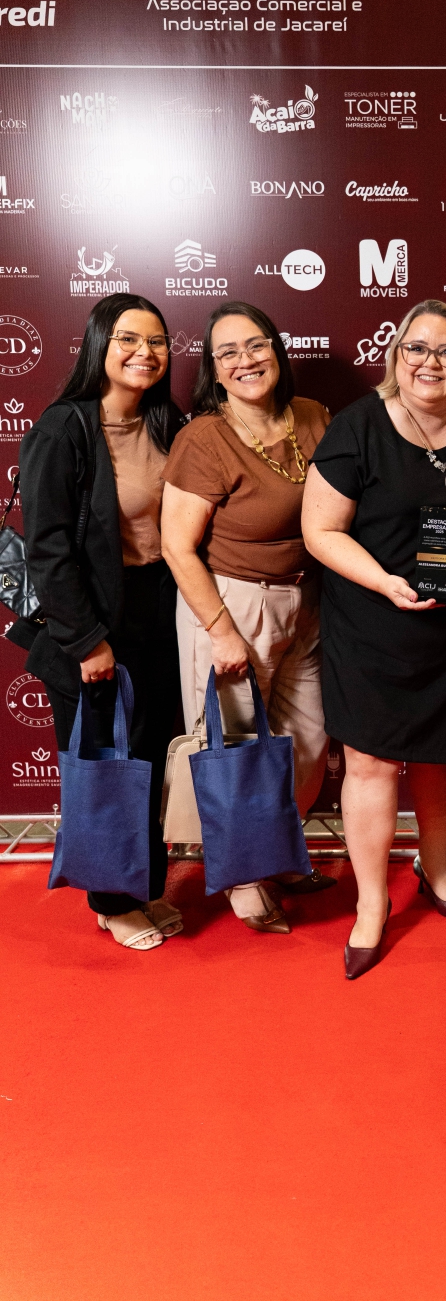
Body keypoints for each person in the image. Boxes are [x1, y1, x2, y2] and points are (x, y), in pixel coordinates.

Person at [301, 300, 446, 979]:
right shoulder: (358, 426)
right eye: (416, 349)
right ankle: (371, 903)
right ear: (396, 358)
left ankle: (438, 869)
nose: (431, 362)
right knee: (369, 763)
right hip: (373, 622)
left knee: (440, 756)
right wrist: (385, 582)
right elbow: (320, 531)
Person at [17, 294, 183, 951]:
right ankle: (112, 903)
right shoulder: (65, 429)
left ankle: (140, 887)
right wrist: (87, 641)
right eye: (128, 339)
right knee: (108, 770)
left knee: (147, 762)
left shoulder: (168, 422)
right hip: (92, 622)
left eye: (157, 341)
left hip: (159, 614)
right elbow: (47, 549)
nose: (145, 352)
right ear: (98, 346)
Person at [160, 303, 332, 934]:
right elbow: (177, 546)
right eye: (227, 352)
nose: (245, 361)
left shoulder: (312, 415)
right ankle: (243, 875)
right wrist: (221, 629)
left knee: (308, 741)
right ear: (214, 369)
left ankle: (278, 851)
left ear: (276, 350)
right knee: (231, 749)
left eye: (255, 345)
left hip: (307, 600)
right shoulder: (204, 438)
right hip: (233, 601)